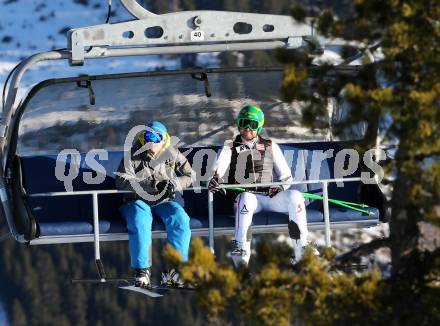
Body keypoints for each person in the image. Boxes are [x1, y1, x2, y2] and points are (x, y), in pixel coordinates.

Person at [209, 105, 311, 267]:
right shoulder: (230, 146)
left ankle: (302, 249)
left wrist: (280, 187)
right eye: (244, 123)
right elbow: (219, 167)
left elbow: (286, 177)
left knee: (295, 196)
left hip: (270, 197)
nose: (247, 129)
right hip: (248, 198)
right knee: (246, 199)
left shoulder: (270, 146)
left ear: (260, 126)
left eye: (253, 125)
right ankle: (241, 252)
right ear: (238, 124)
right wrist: (215, 178)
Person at [116, 121, 193, 289]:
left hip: (162, 201)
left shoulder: (172, 154)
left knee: (180, 219)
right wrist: (150, 185)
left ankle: (175, 270)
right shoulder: (133, 155)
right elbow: (121, 182)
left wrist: (173, 184)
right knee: (141, 219)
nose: (153, 141)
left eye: (157, 137)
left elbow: (189, 175)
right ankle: (142, 271)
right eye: (148, 136)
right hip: (136, 201)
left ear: (164, 139)